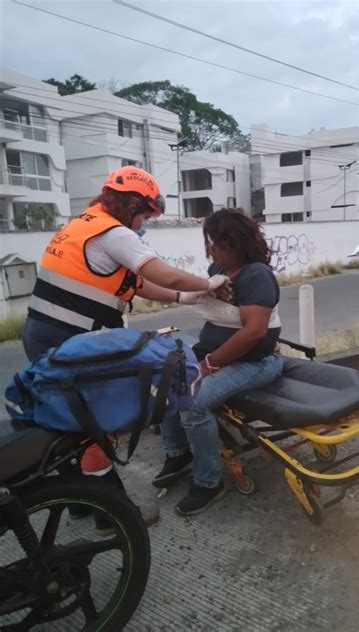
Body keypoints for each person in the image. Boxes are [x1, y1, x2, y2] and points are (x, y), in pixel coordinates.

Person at [22, 165, 229, 535]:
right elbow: (161, 273)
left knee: (65, 421)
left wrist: (184, 296)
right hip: (74, 343)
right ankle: (115, 517)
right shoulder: (113, 232)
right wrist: (208, 283)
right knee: (95, 430)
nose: (145, 222)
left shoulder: (81, 225)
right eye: (146, 214)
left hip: (42, 336)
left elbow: (139, 285)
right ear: (134, 204)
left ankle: (77, 503)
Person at [152, 208, 284, 516]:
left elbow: (254, 332)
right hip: (216, 353)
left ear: (235, 242)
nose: (210, 249)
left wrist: (208, 364)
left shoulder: (257, 275)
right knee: (165, 376)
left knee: (193, 403)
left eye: (216, 242)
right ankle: (179, 453)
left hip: (256, 362)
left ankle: (209, 482)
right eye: (209, 242)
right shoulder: (218, 269)